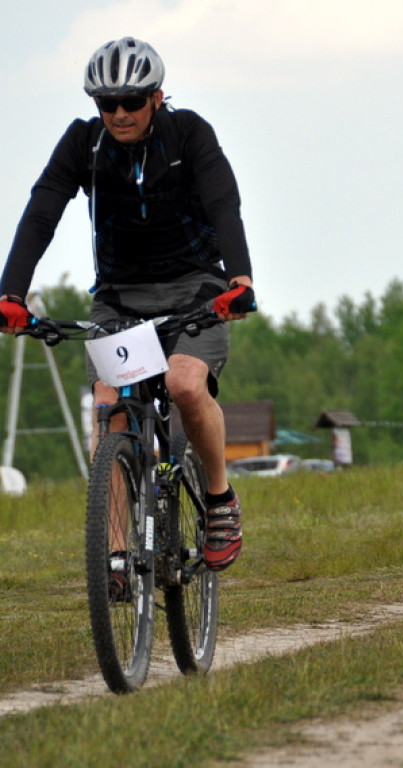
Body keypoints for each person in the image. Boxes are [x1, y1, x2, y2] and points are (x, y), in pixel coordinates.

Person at [0, 37, 255, 571]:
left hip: (197, 290)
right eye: (106, 103)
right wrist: (11, 293)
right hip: (120, 300)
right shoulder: (83, 145)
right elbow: (42, 210)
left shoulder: (189, 134)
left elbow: (222, 201)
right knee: (110, 408)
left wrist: (240, 280)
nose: (118, 113)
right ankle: (115, 558)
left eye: (131, 102)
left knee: (187, 384)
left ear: (157, 98)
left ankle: (218, 499)